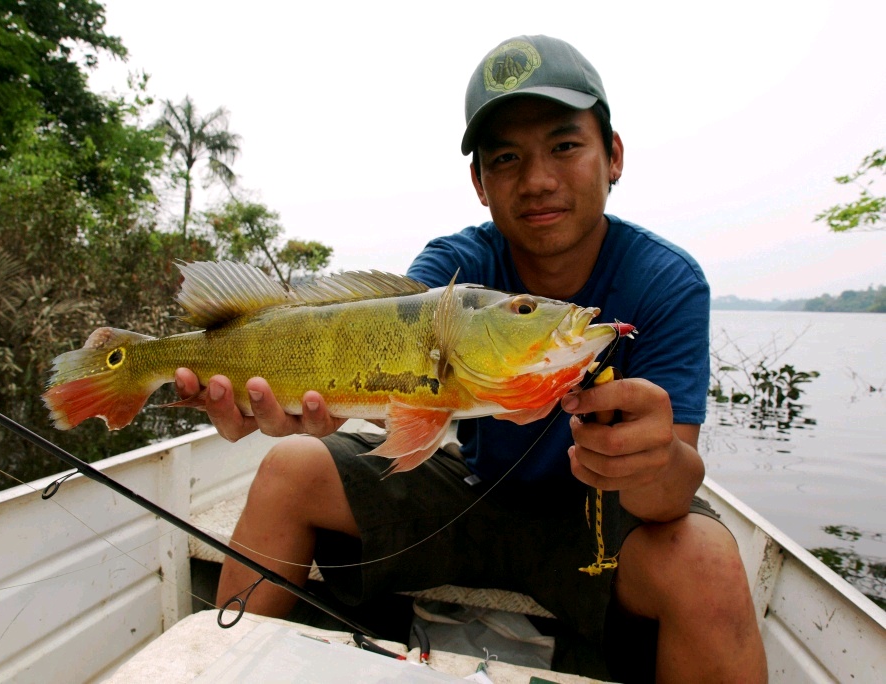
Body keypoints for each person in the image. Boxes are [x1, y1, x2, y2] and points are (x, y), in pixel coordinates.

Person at [176, 35, 766, 682]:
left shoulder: (666, 283)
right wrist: (309, 409)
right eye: (506, 158)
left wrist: (652, 462)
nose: (538, 180)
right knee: (290, 465)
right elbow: (390, 388)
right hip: (470, 493)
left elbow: (668, 498)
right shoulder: (450, 275)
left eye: (565, 146)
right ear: (480, 183)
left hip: (595, 526)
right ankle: (217, 670)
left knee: (708, 558)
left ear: (613, 155)